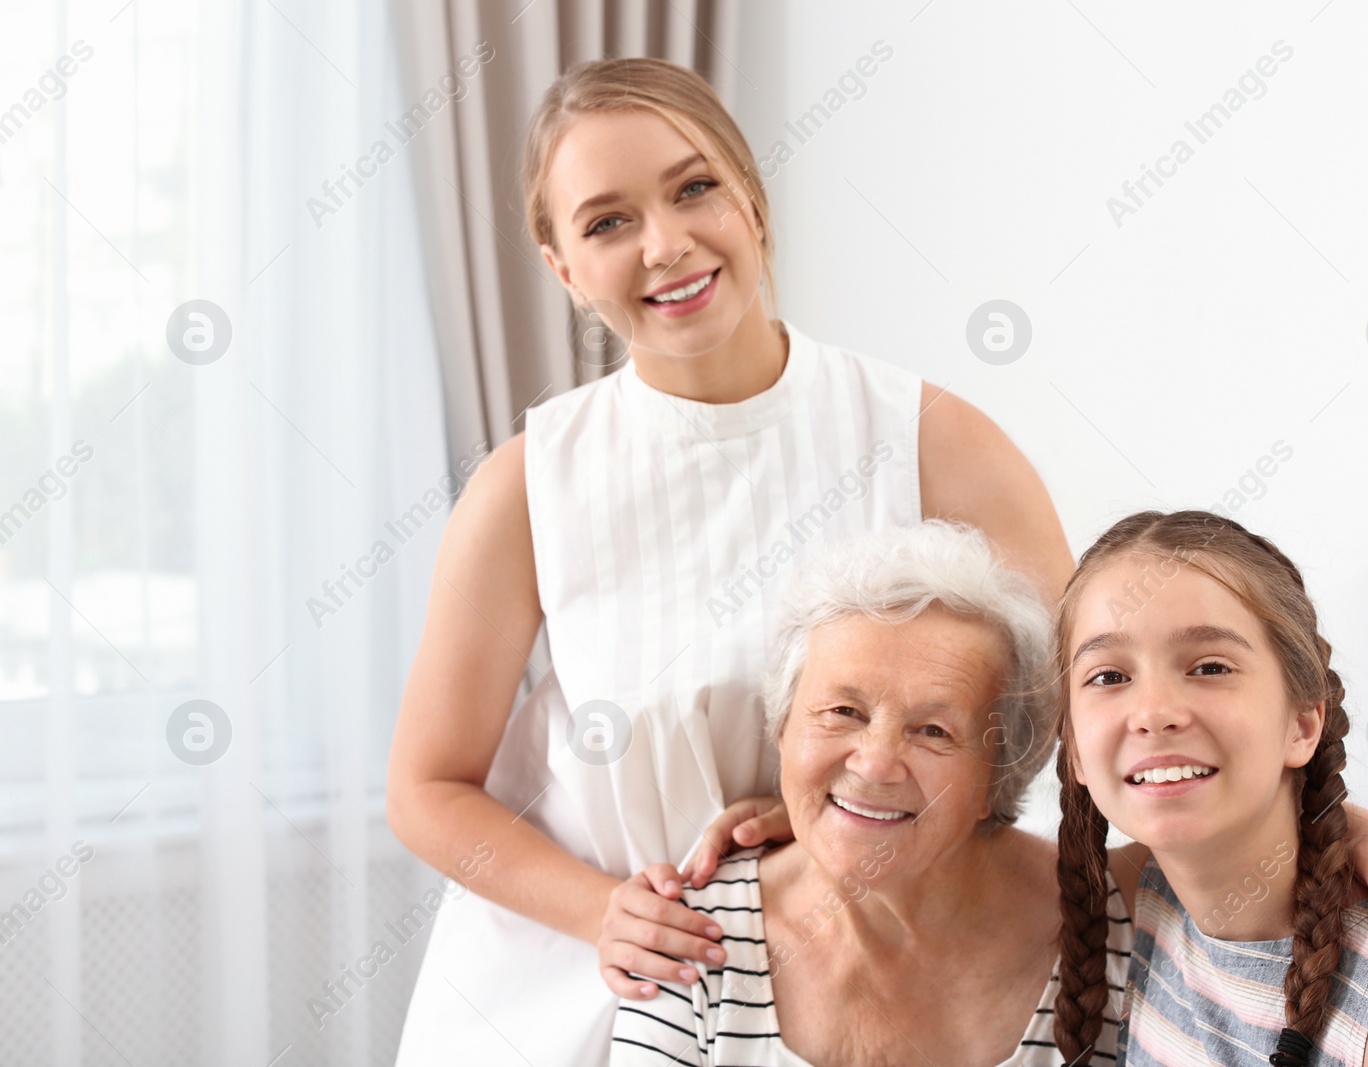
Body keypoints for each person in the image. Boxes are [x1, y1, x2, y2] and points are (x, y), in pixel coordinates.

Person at [385, 57, 1070, 1066]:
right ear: (561, 264)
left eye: (694, 187)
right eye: (607, 221)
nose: (666, 244)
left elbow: (1082, 705)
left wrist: (1316, 832)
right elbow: (425, 786)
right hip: (575, 978)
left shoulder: (926, 436)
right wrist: (605, 912)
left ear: (751, 197)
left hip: (836, 977)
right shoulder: (527, 485)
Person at [614, 523, 1368, 1066]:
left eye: (934, 729)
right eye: (839, 713)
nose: (876, 760)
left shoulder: (1108, 916)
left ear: (998, 783)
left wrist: (1356, 826)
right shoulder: (689, 938)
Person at [1052, 510, 1368, 1066]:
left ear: (1303, 725)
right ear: (1073, 745)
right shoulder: (1128, 901)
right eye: (1109, 677)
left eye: (1210, 667)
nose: (1153, 713)